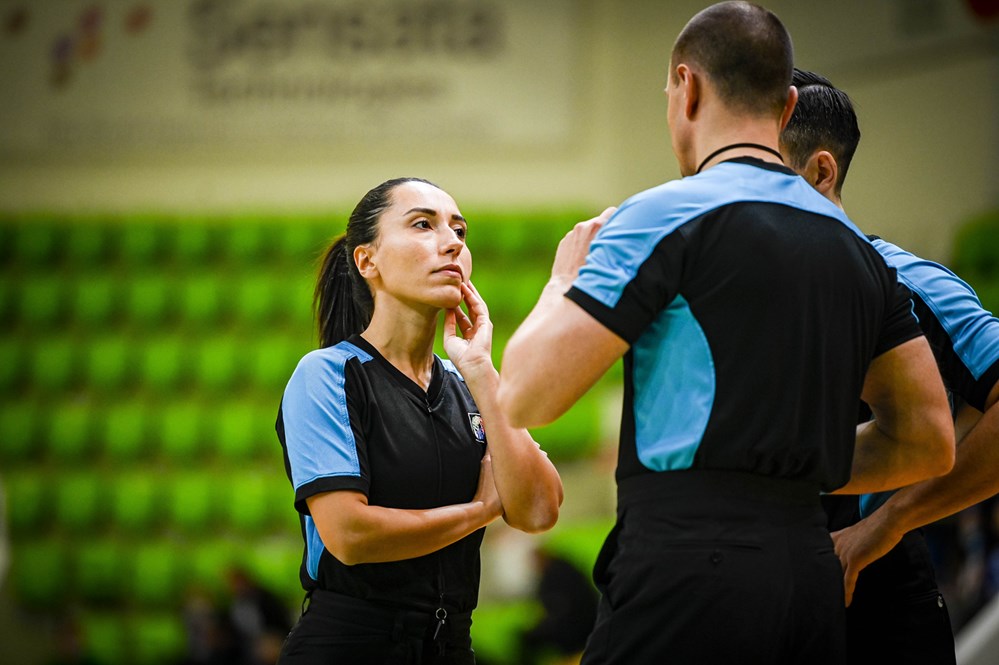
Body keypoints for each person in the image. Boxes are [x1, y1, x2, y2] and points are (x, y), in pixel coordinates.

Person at [496, 3, 956, 664]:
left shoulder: (659, 213)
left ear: (686, 88)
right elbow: (925, 440)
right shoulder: (859, 250)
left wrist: (562, 280)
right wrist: (797, 460)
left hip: (687, 567)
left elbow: (527, 395)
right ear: (786, 101)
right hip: (809, 575)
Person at [275, 177, 564, 664]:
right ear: (367, 261)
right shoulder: (327, 374)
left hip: (451, 648)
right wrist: (480, 510)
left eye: (460, 230)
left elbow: (538, 511)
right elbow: (349, 535)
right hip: (350, 647)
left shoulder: (469, 383)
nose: (452, 242)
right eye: (423, 225)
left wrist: (481, 371)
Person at [779, 67, 999, 665]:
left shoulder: (902, 279)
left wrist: (890, 523)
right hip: (747, 596)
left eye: (758, 171)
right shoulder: (726, 291)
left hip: (868, 601)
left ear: (821, 171)